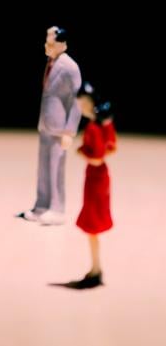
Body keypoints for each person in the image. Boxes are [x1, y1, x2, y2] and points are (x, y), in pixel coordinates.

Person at [17, 26, 81, 224]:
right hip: (46, 125)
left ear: (62, 44)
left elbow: (78, 100)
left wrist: (70, 131)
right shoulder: (50, 63)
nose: (46, 46)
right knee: (43, 168)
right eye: (46, 42)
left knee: (55, 168)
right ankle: (42, 204)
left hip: (60, 128)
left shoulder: (70, 67)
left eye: (50, 43)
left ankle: (57, 208)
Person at [71, 81, 116, 288]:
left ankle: (96, 268)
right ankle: (95, 267)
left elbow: (97, 158)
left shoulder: (93, 129)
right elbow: (111, 149)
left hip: (96, 177)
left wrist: (81, 152)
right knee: (92, 225)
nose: (79, 107)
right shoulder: (102, 126)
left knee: (93, 225)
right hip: (98, 176)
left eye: (81, 103)